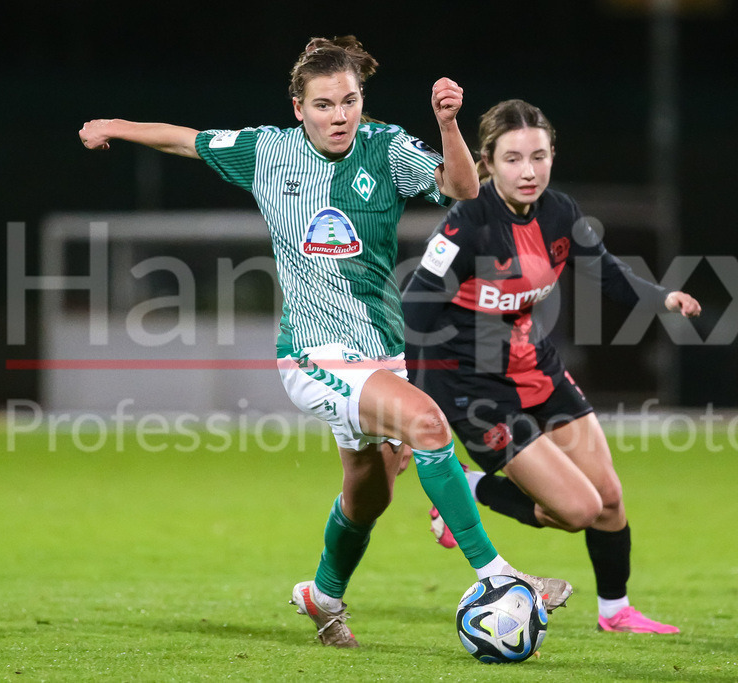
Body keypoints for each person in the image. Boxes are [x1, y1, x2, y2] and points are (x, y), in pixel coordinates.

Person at [79, 40, 570, 648]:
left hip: (382, 351)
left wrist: (447, 125)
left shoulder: (385, 148)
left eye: (349, 101)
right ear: (298, 108)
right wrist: (113, 127)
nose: (339, 115)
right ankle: (498, 577)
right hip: (314, 355)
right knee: (428, 424)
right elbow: (186, 139)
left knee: (369, 497)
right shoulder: (267, 151)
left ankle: (322, 595)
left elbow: (463, 189)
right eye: (324, 104)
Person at [401, 99, 701, 634]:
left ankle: (616, 611)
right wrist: (413, 407)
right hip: (474, 390)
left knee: (609, 499)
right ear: (487, 162)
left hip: (536, 368)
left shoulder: (560, 211)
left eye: (539, 156)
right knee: (578, 510)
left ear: (552, 156)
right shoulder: (468, 222)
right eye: (514, 158)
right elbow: (418, 309)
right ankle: (473, 488)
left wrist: (663, 298)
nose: (529, 171)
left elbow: (605, 271)